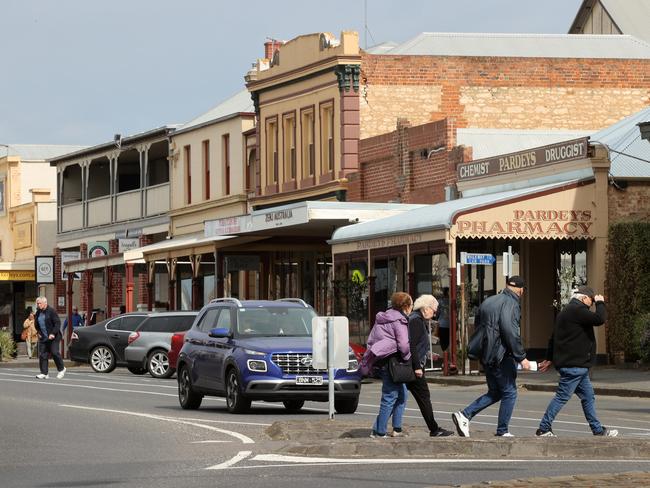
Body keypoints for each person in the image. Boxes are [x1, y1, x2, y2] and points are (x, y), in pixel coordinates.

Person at [452, 275, 530, 437]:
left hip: (487, 354)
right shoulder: (511, 303)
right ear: (520, 290)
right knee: (509, 392)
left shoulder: (489, 301)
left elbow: (479, 327)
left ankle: (465, 415)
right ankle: (502, 430)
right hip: (502, 355)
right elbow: (509, 330)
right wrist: (521, 357)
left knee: (495, 392)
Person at [536, 285, 618, 437]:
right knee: (562, 396)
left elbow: (552, 338)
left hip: (574, 365)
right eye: (591, 301)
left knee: (588, 396)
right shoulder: (578, 310)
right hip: (574, 365)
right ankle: (544, 428)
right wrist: (601, 302)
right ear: (583, 298)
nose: (592, 304)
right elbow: (600, 319)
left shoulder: (565, 313)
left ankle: (598, 430)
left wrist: (548, 358)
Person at [364, 292, 413, 438]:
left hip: (382, 360)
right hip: (394, 362)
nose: (411, 308)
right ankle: (379, 431)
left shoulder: (383, 317)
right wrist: (408, 357)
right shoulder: (399, 320)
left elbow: (371, 339)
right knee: (390, 396)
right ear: (405, 306)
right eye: (410, 304)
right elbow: (404, 345)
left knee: (402, 395)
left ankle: (396, 428)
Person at [407, 294, 454, 437]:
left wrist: (428, 355)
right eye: (434, 310)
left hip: (413, 365)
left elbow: (418, 345)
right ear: (426, 309)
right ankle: (434, 429)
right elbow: (412, 345)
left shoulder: (417, 319)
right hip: (413, 367)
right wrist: (417, 367)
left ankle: (383, 428)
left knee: (397, 397)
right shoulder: (416, 320)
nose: (435, 314)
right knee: (423, 397)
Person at [34, 296, 66, 379]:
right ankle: (44, 373)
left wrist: (52, 333)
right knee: (42, 355)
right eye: (37, 303)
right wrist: (39, 333)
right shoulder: (38, 312)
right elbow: (36, 325)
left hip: (54, 336)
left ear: (45, 303)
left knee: (54, 352)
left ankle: (61, 369)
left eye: (39, 303)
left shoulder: (51, 311)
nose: (38, 305)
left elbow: (57, 323)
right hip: (44, 337)